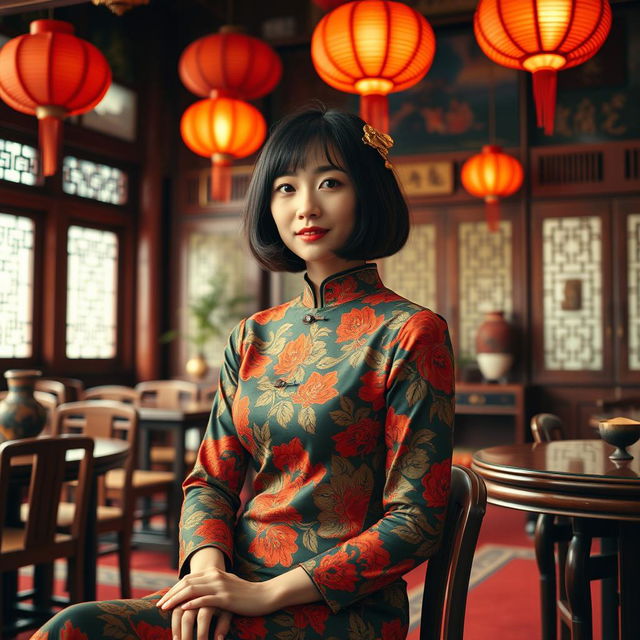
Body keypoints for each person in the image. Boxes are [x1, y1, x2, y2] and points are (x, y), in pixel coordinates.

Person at [31, 106, 454, 640]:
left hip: (342, 606)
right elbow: (209, 481)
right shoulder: (253, 335)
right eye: (284, 187)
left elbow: (415, 522)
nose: (306, 206)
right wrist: (209, 575)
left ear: (367, 192)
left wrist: (265, 594)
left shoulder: (411, 332)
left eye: (330, 182)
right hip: (233, 581)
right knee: (78, 626)